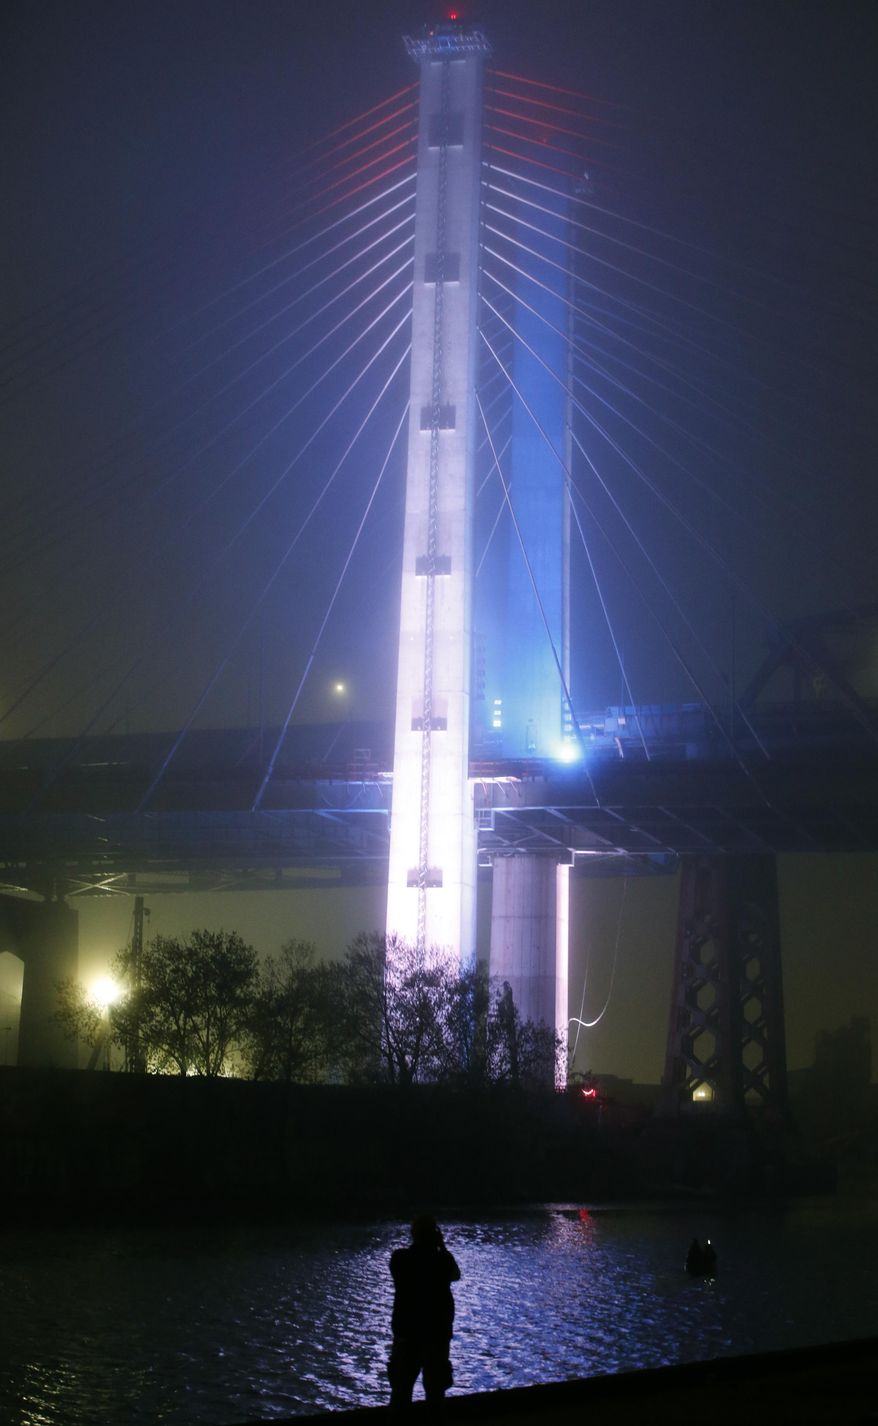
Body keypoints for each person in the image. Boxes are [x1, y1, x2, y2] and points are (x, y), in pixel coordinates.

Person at [388, 1215, 461, 1407]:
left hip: (406, 1334)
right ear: (435, 1235)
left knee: (401, 1393)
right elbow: (456, 1274)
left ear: (413, 1234)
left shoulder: (400, 1258)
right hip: (436, 1336)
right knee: (436, 1393)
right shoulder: (442, 1260)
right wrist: (442, 1246)